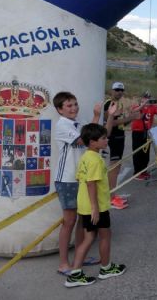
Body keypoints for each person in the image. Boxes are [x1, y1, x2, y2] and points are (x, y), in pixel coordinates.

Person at [53, 92, 115, 275]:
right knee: (69, 221)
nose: (73, 108)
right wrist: (98, 116)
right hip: (67, 179)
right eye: (69, 106)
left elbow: (95, 137)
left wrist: (105, 116)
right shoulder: (63, 125)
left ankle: (79, 258)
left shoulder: (77, 123)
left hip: (81, 179)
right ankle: (64, 263)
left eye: (75, 104)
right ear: (59, 110)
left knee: (81, 219)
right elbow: (85, 140)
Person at [65, 123, 127, 287]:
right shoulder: (96, 160)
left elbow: (80, 179)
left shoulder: (85, 157)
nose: (107, 140)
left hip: (84, 205)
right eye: (103, 138)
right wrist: (95, 208)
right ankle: (105, 268)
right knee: (105, 235)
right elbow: (91, 183)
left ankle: (75, 273)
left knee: (89, 238)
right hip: (96, 206)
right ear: (93, 142)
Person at [103, 82, 139, 209]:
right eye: (117, 90)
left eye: (121, 90)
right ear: (111, 90)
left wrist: (132, 118)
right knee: (113, 168)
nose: (119, 92)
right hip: (113, 138)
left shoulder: (121, 104)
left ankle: (112, 194)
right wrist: (130, 117)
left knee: (116, 167)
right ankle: (110, 198)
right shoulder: (109, 103)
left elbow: (122, 123)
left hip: (120, 137)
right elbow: (110, 123)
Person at [130, 92, 157, 179]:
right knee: (137, 152)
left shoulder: (152, 107)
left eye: (148, 98)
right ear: (142, 98)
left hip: (147, 132)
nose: (147, 99)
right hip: (137, 132)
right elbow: (134, 111)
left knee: (145, 153)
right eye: (145, 97)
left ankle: (143, 171)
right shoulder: (137, 106)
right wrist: (143, 104)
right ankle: (137, 173)